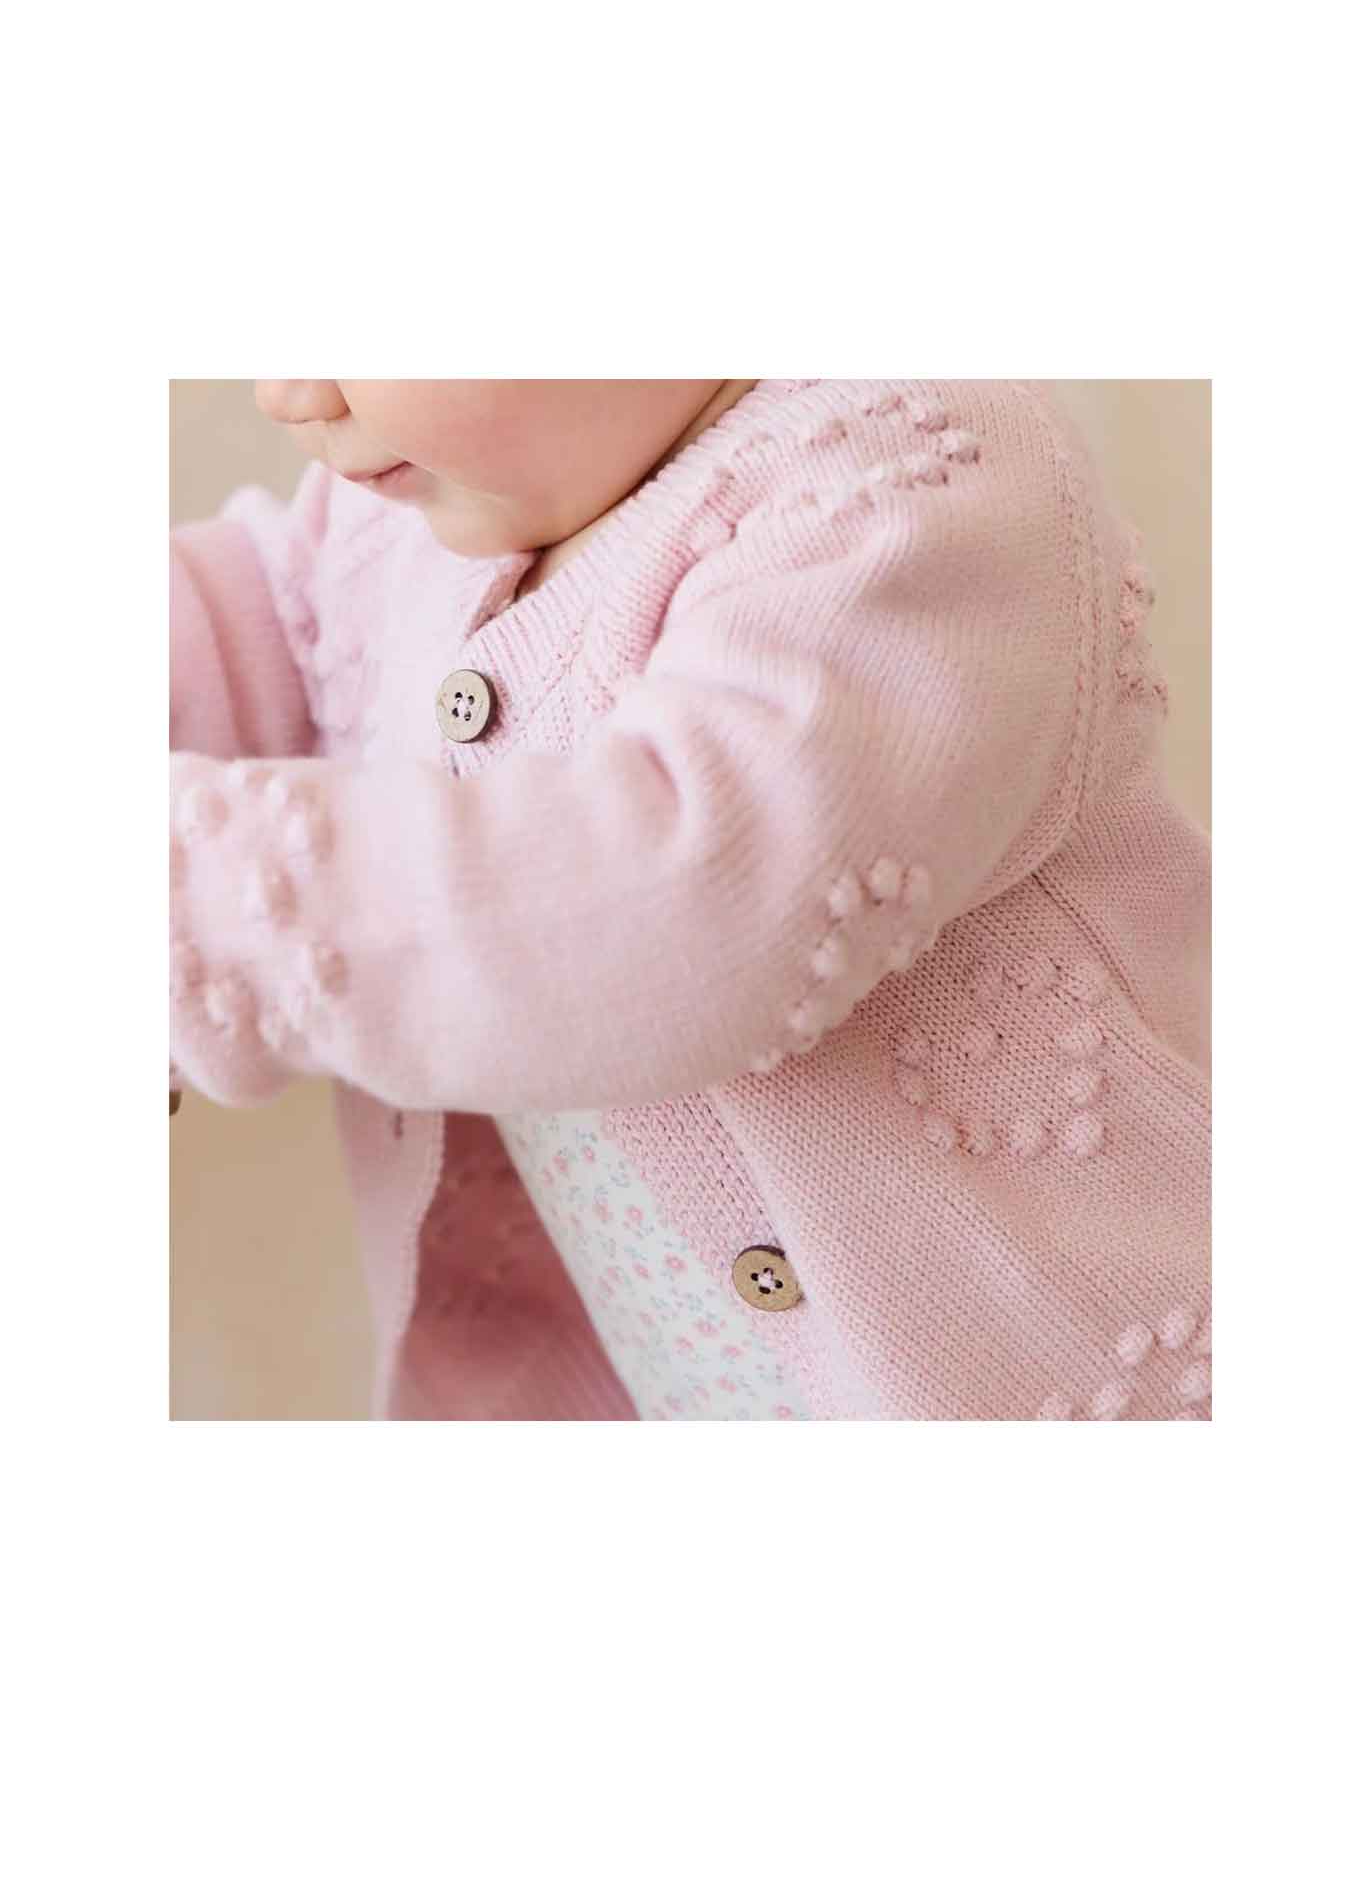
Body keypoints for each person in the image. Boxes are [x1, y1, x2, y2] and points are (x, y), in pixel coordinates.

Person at [170, 380, 1211, 1420]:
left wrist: (186, 906)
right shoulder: (415, 510)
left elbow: (681, 915)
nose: (288, 391)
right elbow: (253, 623)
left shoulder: (918, 487)